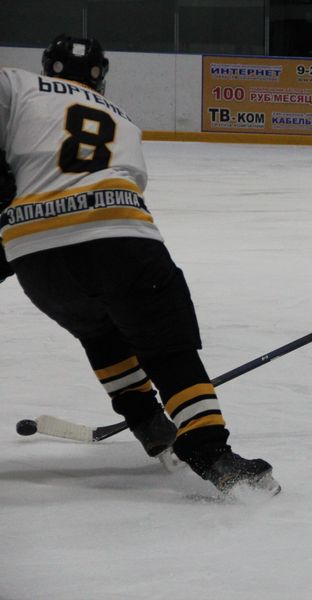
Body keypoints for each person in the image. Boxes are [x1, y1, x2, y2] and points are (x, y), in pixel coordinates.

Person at [0, 34, 280, 494]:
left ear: (48, 67)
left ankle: (148, 421)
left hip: (32, 253)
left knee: (99, 331)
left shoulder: (17, 84)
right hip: (117, 235)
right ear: (100, 79)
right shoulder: (123, 120)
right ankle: (211, 453)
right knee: (164, 342)